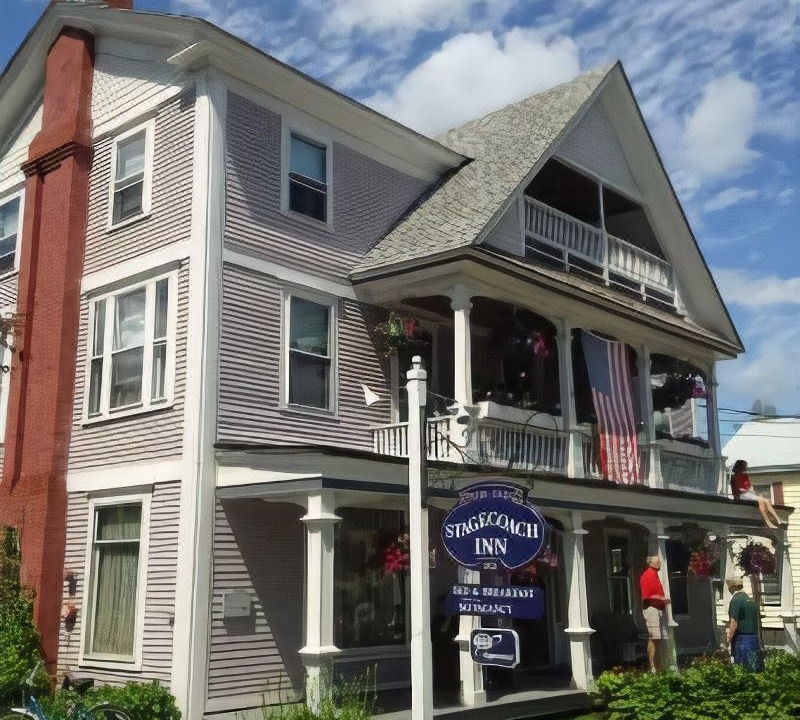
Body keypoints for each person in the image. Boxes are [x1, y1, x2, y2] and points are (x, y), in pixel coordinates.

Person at [639, 555, 671, 672]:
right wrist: (662, 598)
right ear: (651, 563)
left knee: (659, 637)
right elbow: (647, 596)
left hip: (658, 609)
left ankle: (660, 664)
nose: (660, 564)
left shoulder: (655, 575)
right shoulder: (647, 576)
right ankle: (652, 666)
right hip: (651, 609)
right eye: (658, 562)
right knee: (654, 637)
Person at [731, 459, 783, 529]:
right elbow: (737, 489)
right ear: (740, 466)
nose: (745, 467)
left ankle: (777, 519)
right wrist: (746, 491)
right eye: (744, 466)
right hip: (740, 495)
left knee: (766, 501)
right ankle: (768, 522)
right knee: (761, 501)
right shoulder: (734, 476)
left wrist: (753, 493)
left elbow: (749, 487)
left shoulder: (745, 476)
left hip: (747, 493)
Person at [726, 577, 763, 671]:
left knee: (742, 667)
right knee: (754, 666)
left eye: (729, 586)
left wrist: (729, 638)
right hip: (754, 638)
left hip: (742, 638)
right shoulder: (751, 601)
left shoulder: (736, 600)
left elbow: (734, 622)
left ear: (732, 587)